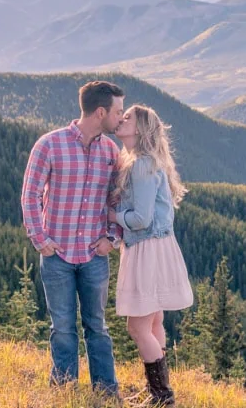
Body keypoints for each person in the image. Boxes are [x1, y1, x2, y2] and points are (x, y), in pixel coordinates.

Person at [21, 80, 125, 397]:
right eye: (118, 112)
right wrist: (40, 240)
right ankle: (65, 391)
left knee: (98, 327)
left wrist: (112, 238)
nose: (121, 118)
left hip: (95, 255)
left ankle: (106, 393)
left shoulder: (111, 151)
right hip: (57, 256)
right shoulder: (49, 145)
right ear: (101, 112)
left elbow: (117, 201)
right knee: (63, 328)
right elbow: (30, 196)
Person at [108, 104, 193, 407]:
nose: (121, 119)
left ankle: (162, 396)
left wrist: (113, 215)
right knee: (154, 321)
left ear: (140, 129)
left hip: (146, 249)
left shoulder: (142, 165)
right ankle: (157, 391)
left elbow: (141, 219)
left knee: (137, 327)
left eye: (128, 118)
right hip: (159, 247)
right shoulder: (147, 162)